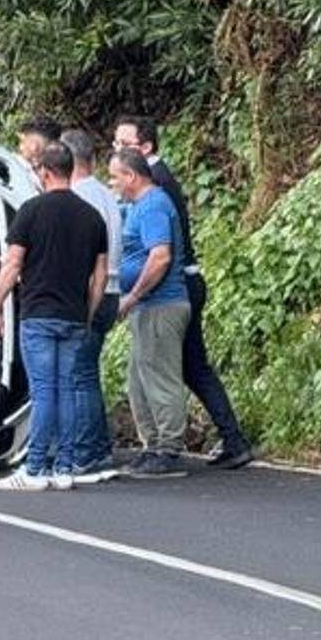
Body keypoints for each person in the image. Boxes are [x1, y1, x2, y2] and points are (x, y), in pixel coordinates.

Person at [114, 116, 253, 469]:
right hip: (168, 288)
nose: (117, 151)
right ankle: (228, 438)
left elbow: (162, 253)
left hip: (174, 288)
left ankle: (178, 443)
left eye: (124, 145)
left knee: (177, 367)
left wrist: (133, 294)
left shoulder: (156, 186)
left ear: (144, 150)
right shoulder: (147, 187)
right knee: (186, 366)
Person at [0, 143, 109, 491]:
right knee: (68, 390)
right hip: (73, 315)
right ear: (70, 170)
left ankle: (36, 467)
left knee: (44, 392)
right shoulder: (92, 217)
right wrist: (88, 312)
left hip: (38, 314)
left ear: (44, 172)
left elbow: (12, 264)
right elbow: (99, 276)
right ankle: (65, 466)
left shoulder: (31, 211)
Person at [110, 148, 191, 478]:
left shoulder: (155, 205)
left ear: (131, 176)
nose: (112, 183)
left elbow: (159, 257)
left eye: (115, 176)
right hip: (146, 307)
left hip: (161, 304)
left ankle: (169, 448)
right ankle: (153, 444)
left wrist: (132, 296)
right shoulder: (136, 207)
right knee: (139, 379)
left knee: (160, 378)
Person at [59, 129, 123, 483]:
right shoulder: (106, 195)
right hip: (113, 291)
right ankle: (99, 448)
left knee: (79, 377)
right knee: (88, 374)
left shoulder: (79, 197)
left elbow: (84, 256)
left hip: (91, 292)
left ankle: (86, 452)